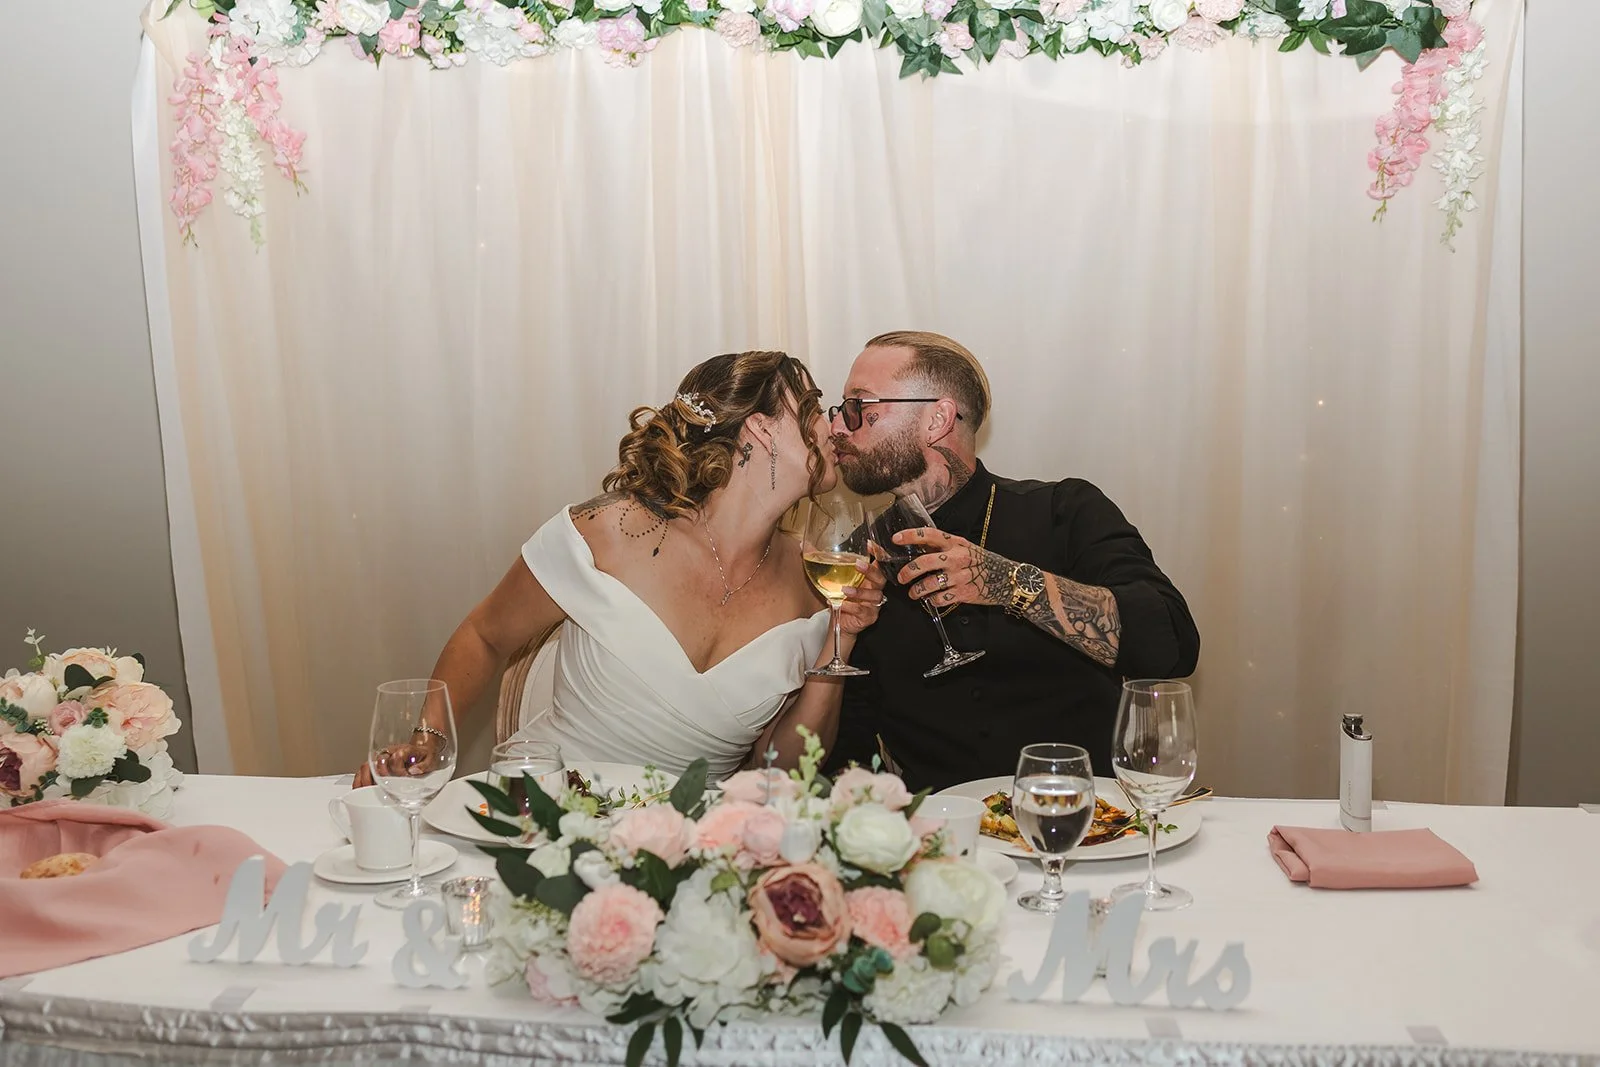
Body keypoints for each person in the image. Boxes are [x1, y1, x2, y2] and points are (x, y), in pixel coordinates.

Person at [356, 351, 884, 786]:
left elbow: (782, 771)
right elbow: (484, 635)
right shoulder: (611, 532)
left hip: (692, 854)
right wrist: (429, 741)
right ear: (760, 430)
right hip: (541, 817)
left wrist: (841, 639)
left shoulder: (814, 577)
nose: (835, 423)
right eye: (814, 407)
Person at [824, 331, 1199, 792]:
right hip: (942, 843)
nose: (838, 427)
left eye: (860, 407)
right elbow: (849, 745)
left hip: (1087, 830)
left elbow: (1172, 643)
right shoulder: (861, 557)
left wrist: (1006, 582)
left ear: (936, 418)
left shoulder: (1064, 510)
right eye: (841, 410)